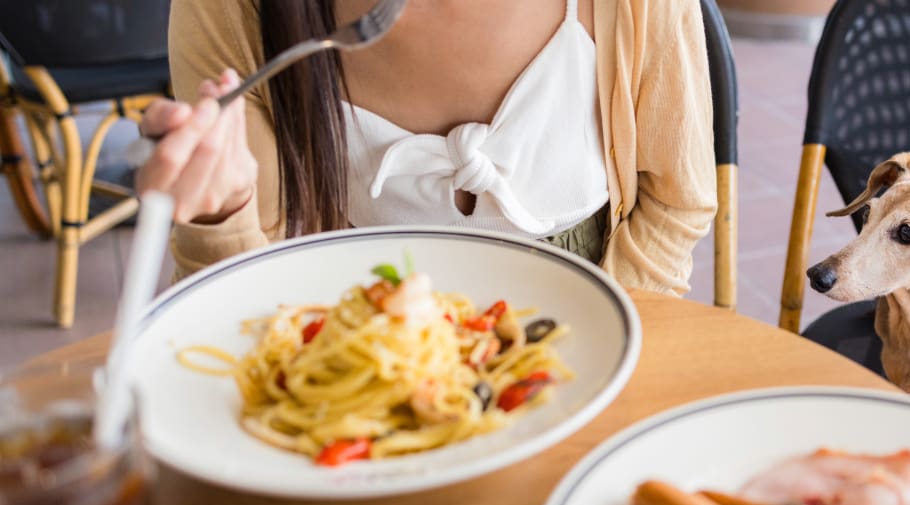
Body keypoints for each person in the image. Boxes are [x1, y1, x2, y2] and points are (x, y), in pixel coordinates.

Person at [136, 0, 717, 295]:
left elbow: (676, 202)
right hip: (353, 359)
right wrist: (218, 212)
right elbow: (238, 303)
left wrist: (603, 344)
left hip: (599, 350)